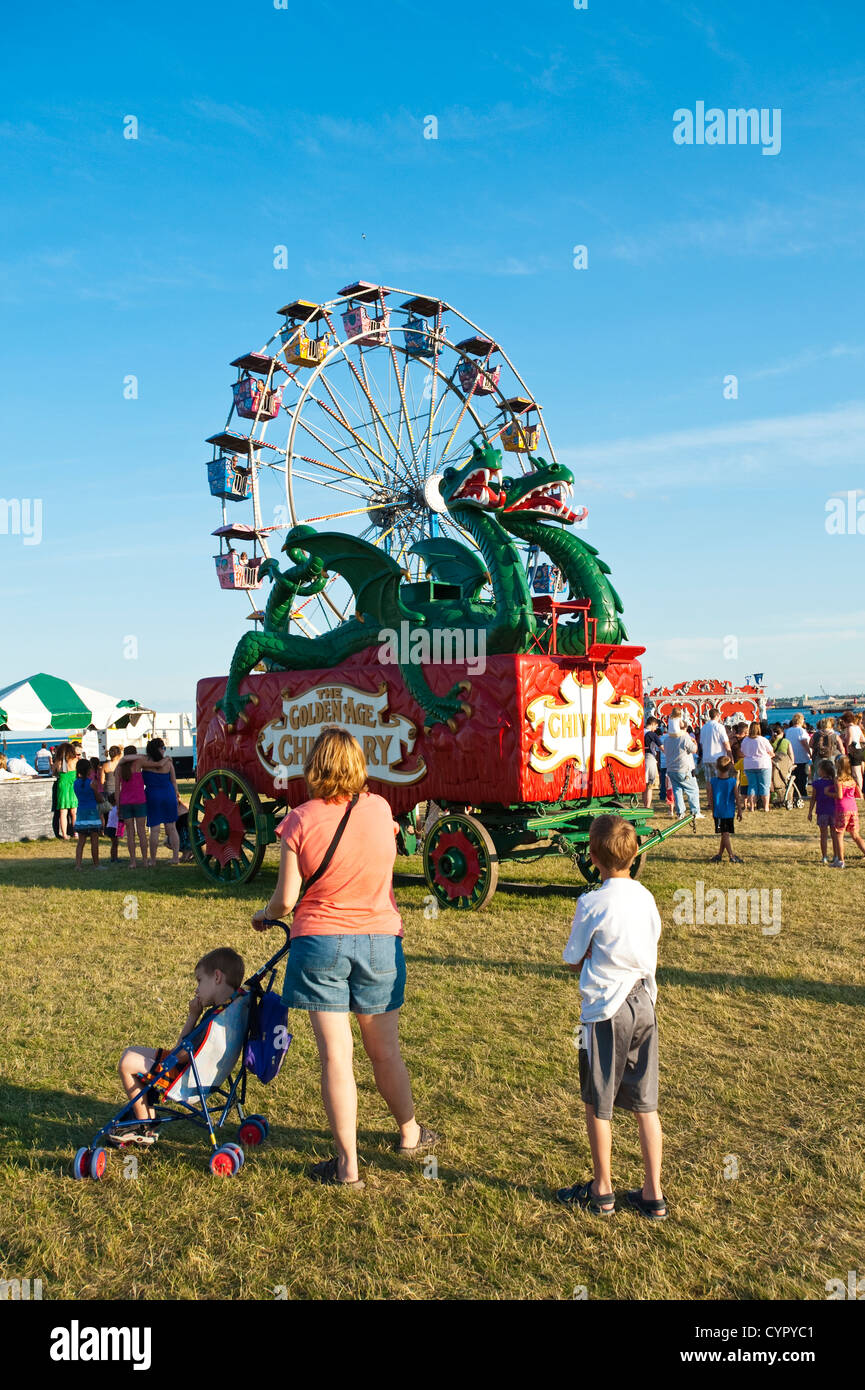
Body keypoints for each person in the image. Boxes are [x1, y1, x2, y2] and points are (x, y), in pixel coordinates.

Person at [252, 727, 436, 1188]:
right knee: (385, 1052)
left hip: (319, 943)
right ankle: (410, 1132)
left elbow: (286, 900)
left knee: (337, 1057)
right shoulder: (379, 810)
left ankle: (347, 1164)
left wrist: (264, 914)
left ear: (314, 766)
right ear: (357, 765)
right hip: (379, 940)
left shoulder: (298, 820)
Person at [557, 815, 666, 1220]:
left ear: (593, 857)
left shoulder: (591, 903)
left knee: (597, 1100)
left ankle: (602, 1190)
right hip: (644, 1004)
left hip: (605, 1009)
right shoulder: (646, 898)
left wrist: (588, 954)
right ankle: (653, 1193)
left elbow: (571, 958)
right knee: (645, 1103)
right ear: (634, 853)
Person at [111, 947, 245, 1146]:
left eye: (200, 981)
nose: (196, 989)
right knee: (131, 1051)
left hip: (187, 1077)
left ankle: (145, 1125)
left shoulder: (212, 1020)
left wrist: (193, 1016)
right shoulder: (233, 1007)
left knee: (127, 1062)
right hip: (206, 1071)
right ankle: (146, 1104)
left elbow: (180, 1053)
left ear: (217, 977)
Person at [118, 739, 182, 866]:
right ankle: (175, 857)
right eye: (162, 747)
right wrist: (176, 793)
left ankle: (153, 860)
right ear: (157, 749)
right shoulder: (168, 763)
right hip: (168, 794)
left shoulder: (145, 763)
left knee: (155, 829)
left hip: (152, 795)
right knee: (172, 827)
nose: (164, 750)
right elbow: (174, 781)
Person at [828, 756, 865, 869]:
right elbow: (859, 794)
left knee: (839, 834)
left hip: (842, 809)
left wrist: (828, 793)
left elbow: (839, 796)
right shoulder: (852, 780)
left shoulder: (838, 780)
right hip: (853, 808)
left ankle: (840, 860)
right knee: (855, 834)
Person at [116, 745, 149, 868]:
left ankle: (133, 861)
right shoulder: (139, 763)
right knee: (142, 832)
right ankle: (145, 861)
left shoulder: (119, 768)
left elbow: (117, 791)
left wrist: (118, 807)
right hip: (140, 801)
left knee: (130, 834)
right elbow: (146, 757)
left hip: (125, 802)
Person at [662, 720, 702, 821]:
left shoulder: (667, 739)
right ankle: (695, 811)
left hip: (671, 768)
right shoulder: (684, 738)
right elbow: (694, 750)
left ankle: (680, 813)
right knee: (692, 790)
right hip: (684, 768)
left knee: (677, 791)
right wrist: (695, 742)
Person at [708, 756, 743, 863]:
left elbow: (710, 799)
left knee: (724, 833)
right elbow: (737, 797)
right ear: (729, 767)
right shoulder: (732, 782)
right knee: (725, 834)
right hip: (729, 812)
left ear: (716, 767)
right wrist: (740, 811)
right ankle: (732, 856)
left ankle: (719, 855)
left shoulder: (712, 781)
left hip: (718, 812)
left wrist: (713, 811)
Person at [699, 708, 731, 818]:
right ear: (718, 715)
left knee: (709, 782)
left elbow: (702, 744)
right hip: (719, 758)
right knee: (720, 781)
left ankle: (710, 802)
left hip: (707, 757)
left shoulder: (704, 728)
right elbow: (726, 743)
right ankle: (719, 803)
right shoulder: (719, 727)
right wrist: (730, 755)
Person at [808, 758, 838, 865]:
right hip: (834, 811)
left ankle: (824, 856)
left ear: (822, 771)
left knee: (823, 835)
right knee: (835, 835)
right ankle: (836, 855)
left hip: (822, 812)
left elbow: (813, 799)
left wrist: (810, 811)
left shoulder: (817, 784)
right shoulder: (835, 783)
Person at [73, 757, 102, 868]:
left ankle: (78, 865)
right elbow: (98, 798)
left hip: (81, 812)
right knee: (94, 840)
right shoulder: (92, 783)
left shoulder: (75, 783)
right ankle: (96, 864)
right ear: (89, 770)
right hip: (92, 812)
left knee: (81, 841)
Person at [740, 721, 774, 813]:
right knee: (764, 786)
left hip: (749, 764)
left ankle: (752, 807)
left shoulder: (745, 740)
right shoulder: (763, 740)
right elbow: (771, 752)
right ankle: (766, 807)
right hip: (763, 764)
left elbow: (742, 752)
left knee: (752, 786)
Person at [54, 742, 78, 840]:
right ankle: (76, 832)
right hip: (73, 784)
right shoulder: (75, 760)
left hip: (62, 785)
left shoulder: (57, 762)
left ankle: (64, 834)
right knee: (74, 812)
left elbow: (53, 772)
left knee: (63, 812)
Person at [784, 714, 811, 800]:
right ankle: (802, 793)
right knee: (803, 776)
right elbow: (804, 742)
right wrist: (810, 753)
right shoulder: (801, 731)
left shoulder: (788, 731)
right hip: (801, 756)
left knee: (794, 777)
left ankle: (795, 793)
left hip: (792, 757)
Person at [840, 711, 864, 791]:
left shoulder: (849, 728)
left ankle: (859, 791)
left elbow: (849, 742)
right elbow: (862, 739)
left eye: (843, 721)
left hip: (853, 751)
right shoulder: (857, 727)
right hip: (860, 750)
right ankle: (860, 790)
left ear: (846, 721)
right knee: (859, 773)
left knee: (855, 773)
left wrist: (843, 739)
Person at [643, 716, 663, 809]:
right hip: (649, 758)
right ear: (653, 724)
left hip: (639, 759)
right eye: (656, 726)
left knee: (644, 785)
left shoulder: (640, 732)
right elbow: (661, 747)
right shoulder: (652, 734)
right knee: (649, 786)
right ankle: (647, 806)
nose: (656, 729)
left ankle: (644, 805)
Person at [770, 727, 794, 804]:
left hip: (773, 764)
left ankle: (773, 797)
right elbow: (790, 754)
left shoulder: (770, 741)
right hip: (784, 764)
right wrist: (792, 764)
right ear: (782, 733)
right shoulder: (786, 741)